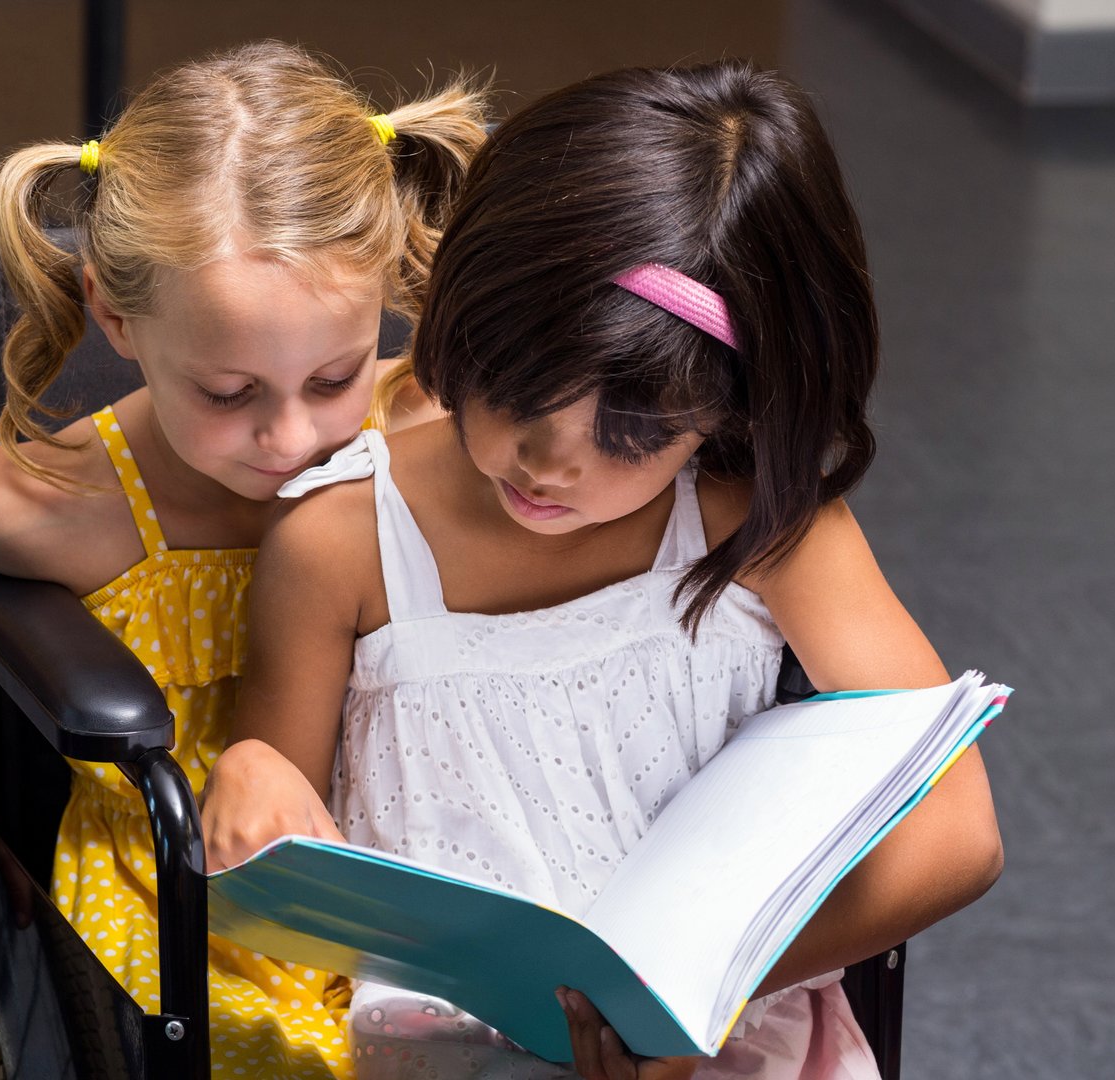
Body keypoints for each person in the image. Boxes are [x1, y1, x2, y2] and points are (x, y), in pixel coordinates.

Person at [201, 60, 1005, 1080]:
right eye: (514, 393)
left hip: (727, 1031)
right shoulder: (344, 540)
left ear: (727, 411)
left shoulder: (754, 519)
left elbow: (960, 831)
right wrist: (251, 773)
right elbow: (277, 829)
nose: (549, 461)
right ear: (467, 319)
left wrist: (684, 1006)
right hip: (450, 1051)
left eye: (630, 435)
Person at [0, 40, 489, 1077]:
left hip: (410, 850)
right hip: (191, 890)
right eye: (230, 396)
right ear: (114, 318)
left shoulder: (426, 424)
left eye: (333, 376)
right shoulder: (79, 501)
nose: (291, 439)